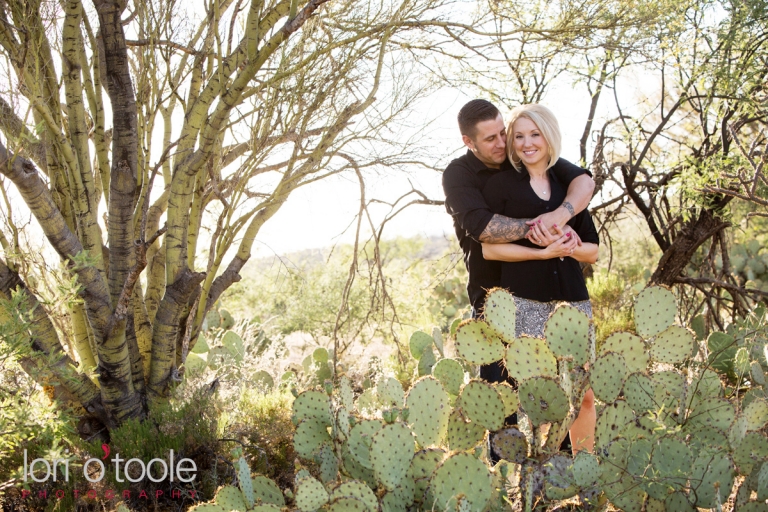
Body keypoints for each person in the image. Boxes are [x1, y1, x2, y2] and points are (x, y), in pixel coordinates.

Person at [442, 99, 595, 430]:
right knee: (502, 399)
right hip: (492, 297)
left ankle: (562, 470)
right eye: (490, 139)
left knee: (556, 396)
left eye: (503, 133)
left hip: (537, 290)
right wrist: (545, 227)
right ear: (469, 142)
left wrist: (561, 215)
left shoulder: (531, 163)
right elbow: (483, 230)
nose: (502, 144)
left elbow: (584, 181)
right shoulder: (459, 174)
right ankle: (505, 477)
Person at [481, 103, 598, 453]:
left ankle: (585, 476)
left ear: (549, 137)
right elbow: (490, 249)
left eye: (535, 134)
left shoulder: (568, 186)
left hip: (574, 303)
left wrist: (569, 247)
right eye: (519, 136)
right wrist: (540, 252)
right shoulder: (500, 185)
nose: (527, 143)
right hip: (524, 303)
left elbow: (592, 251)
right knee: (531, 399)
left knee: (583, 397)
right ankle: (531, 482)